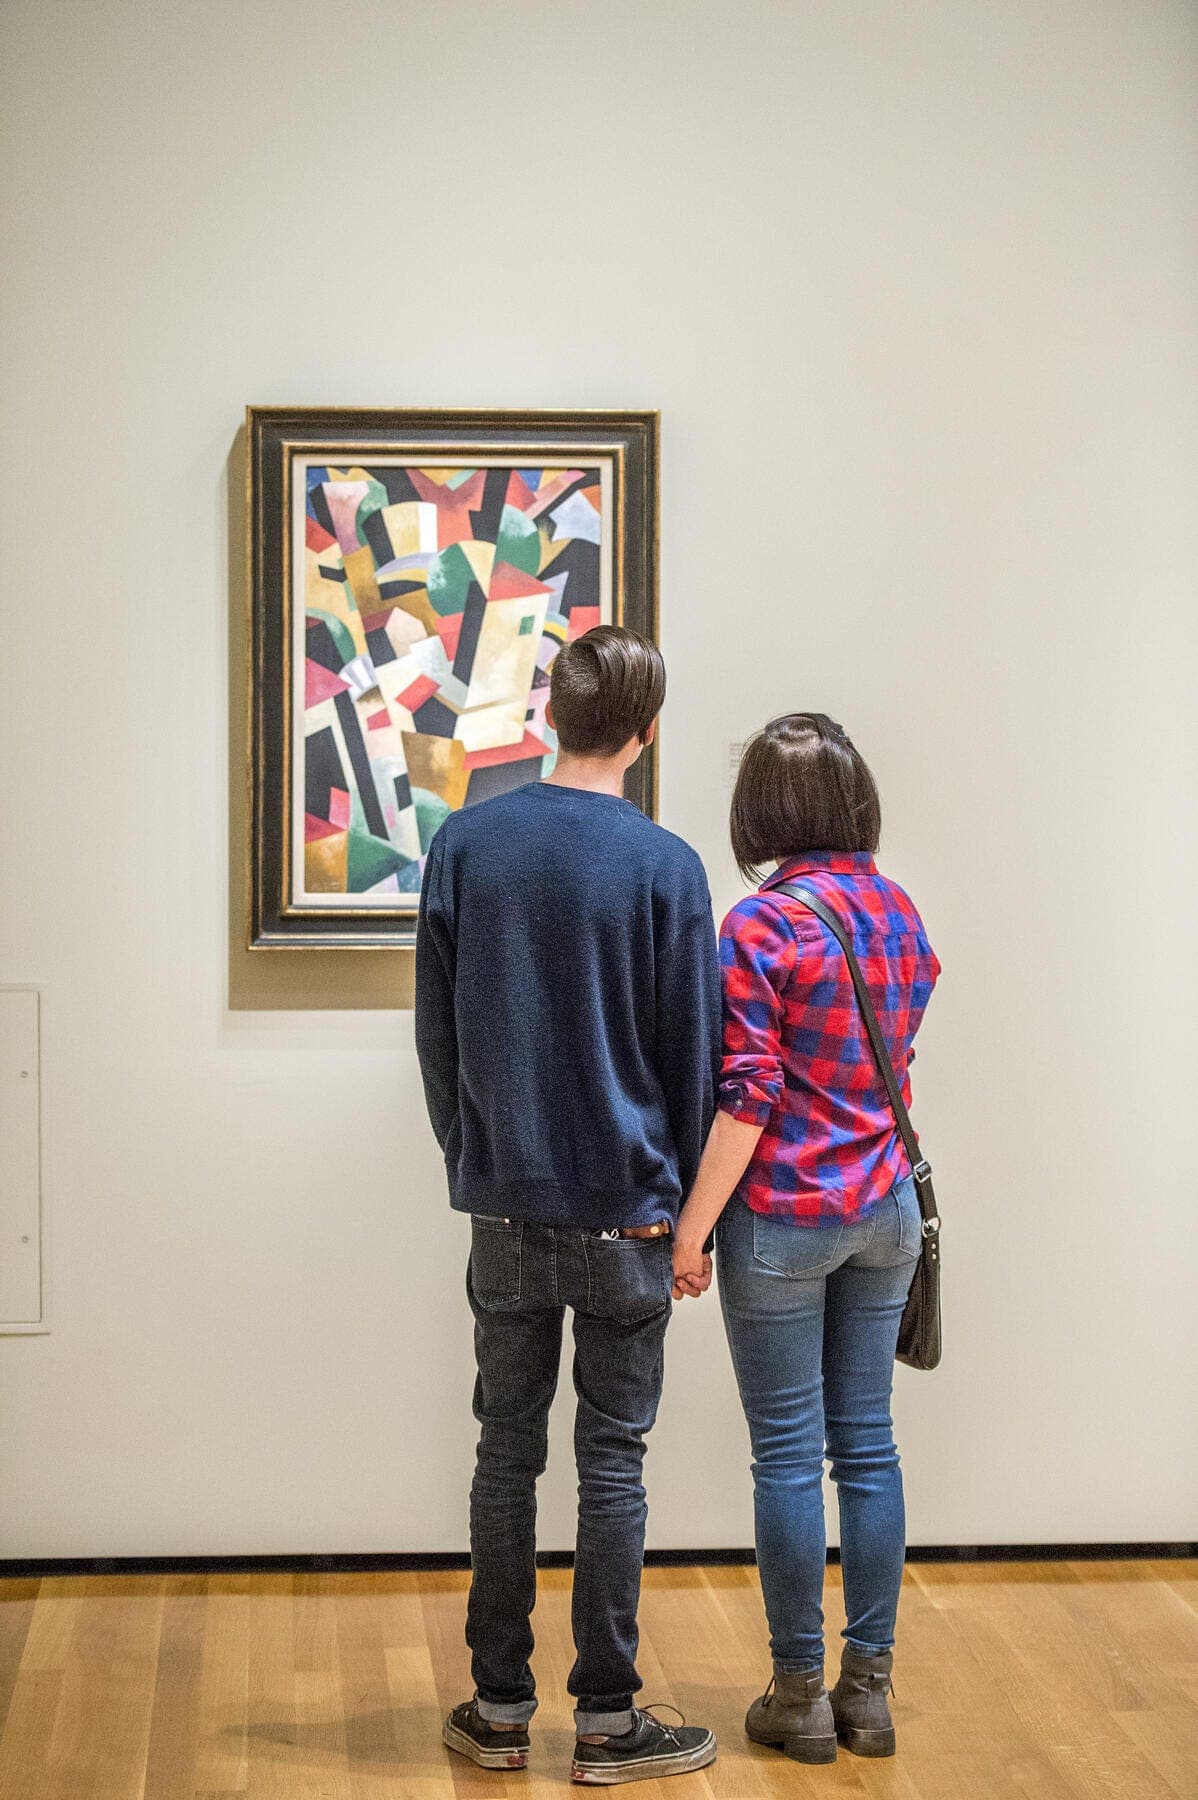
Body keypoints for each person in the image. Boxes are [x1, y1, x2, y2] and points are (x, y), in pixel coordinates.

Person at [415, 624, 720, 1785]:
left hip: (504, 1209)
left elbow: (436, 1038)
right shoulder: (664, 867)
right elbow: (693, 1062)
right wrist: (688, 1216)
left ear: (549, 715)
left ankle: (498, 1708)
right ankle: (605, 1722)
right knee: (612, 1465)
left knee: (504, 1454)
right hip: (630, 1213)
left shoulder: (466, 845)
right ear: (647, 731)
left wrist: (473, 1157)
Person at [672, 712, 940, 1765]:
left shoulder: (759, 926)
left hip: (784, 1216)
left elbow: (748, 1099)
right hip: (886, 1209)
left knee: (787, 1456)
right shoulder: (898, 910)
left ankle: (798, 1698)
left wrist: (692, 1232)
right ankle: (867, 1693)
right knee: (867, 1447)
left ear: (762, 810)